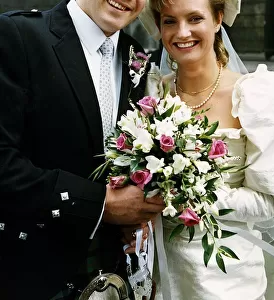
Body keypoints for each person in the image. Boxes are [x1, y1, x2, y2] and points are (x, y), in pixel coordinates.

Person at [0, 0, 166, 299]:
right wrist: (100, 204)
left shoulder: (136, 56)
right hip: (32, 273)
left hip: (114, 274)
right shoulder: (17, 34)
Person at [138, 0, 274, 299]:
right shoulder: (152, 94)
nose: (181, 32)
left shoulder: (258, 96)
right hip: (158, 270)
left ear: (218, 19)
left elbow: (267, 202)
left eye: (195, 18)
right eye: (170, 21)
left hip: (227, 273)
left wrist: (183, 192)